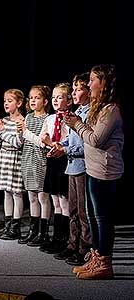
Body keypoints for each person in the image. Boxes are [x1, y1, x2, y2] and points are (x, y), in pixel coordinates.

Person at [65, 64, 123, 280]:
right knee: (92, 216)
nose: (89, 84)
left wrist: (77, 124)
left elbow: (95, 140)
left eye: (92, 80)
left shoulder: (111, 110)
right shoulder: (98, 107)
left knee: (102, 219)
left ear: (103, 83)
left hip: (105, 171)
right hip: (92, 168)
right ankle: (97, 258)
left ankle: (105, 263)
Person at [23, 83, 72, 253]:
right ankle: (56, 238)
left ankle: (66, 239)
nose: (56, 100)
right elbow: (44, 141)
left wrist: (52, 143)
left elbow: (69, 142)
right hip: (52, 160)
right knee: (55, 201)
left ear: (69, 100)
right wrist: (46, 141)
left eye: (60, 97)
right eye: (54, 98)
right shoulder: (50, 119)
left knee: (64, 201)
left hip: (65, 160)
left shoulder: (71, 118)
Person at [51, 73, 92, 265]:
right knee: (73, 209)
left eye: (78, 89)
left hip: (83, 167)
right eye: (73, 89)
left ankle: (85, 248)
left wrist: (66, 148)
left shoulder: (90, 113)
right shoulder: (77, 113)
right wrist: (60, 146)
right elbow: (72, 138)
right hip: (72, 167)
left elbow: (87, 144)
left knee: (83, 212)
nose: (74, 92)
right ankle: (72, 243)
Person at [16, 85, 51, 245]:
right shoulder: (28, 117)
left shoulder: (48, 119)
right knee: (31, 197)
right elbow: (23, 140)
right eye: (31, 98)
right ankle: (33, 230)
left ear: (45, 101)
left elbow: (42, 142)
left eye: (37, 98)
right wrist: (19, 133)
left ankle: (43, 233)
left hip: (41, 161)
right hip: (27, 160)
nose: (33, 101)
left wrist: (25, 132)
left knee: (42, 197)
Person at [0, 89, 25, 240]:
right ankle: (7, 225)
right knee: (6, 192)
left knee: (16, 193)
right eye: (5, 100)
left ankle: (16, 227)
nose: (6, 103)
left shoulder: (22, 121)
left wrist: (2, 132)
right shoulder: (4, 121)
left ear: (19, 103)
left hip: (15, 158)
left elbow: (17, 143)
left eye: (10, 101)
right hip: (4, 157)